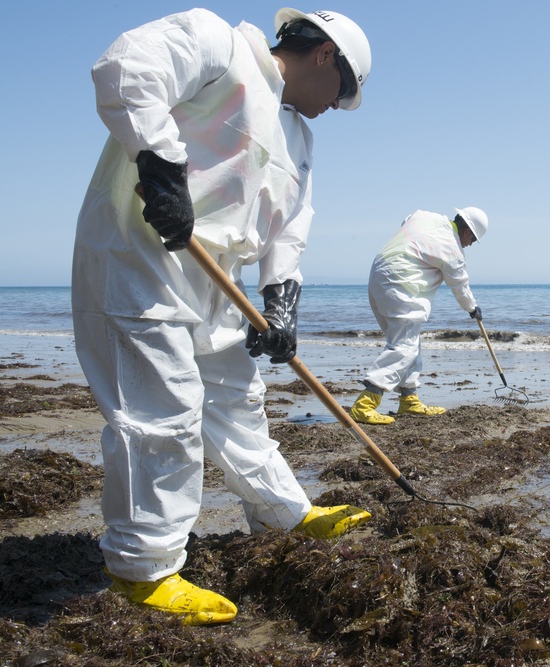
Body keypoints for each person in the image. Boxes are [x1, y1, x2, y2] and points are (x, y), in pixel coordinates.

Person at [72, 8, 373, 626]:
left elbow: (289, 227)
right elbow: (128, 68)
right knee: (162, 414)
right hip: (139, 259)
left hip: (216, 280)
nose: (334, 108)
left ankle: (285, 512)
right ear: (325, 56)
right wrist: (159, 167)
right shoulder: (220, 46)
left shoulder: (298, 135)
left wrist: (281, 300)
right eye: (341, 93)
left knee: (239, 400)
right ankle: (143, 570)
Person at [349, 207, 490, 425]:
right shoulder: (453, 250)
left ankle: (409, 400)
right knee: (404, 347)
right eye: (473, 239)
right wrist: (472, 308)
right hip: (402, 283)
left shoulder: (424, 216)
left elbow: (406, 220)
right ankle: (365, 404)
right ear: (467, 231)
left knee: (408, 342)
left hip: (379, 274)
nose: (470, 244)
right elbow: (460, 285)